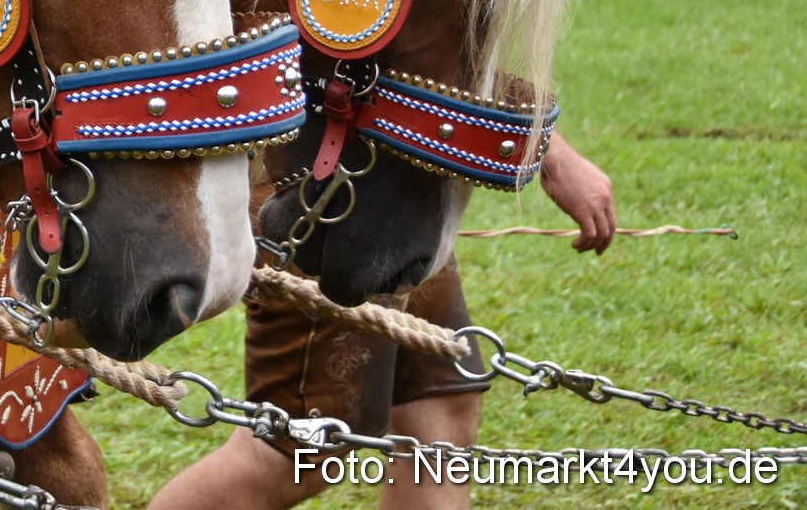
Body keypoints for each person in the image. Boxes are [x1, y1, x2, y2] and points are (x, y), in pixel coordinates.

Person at [150, 136, 616, 510]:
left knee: (435, 418)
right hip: (327, 191)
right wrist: (546, 146)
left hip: (406, 182)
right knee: (295, 453)